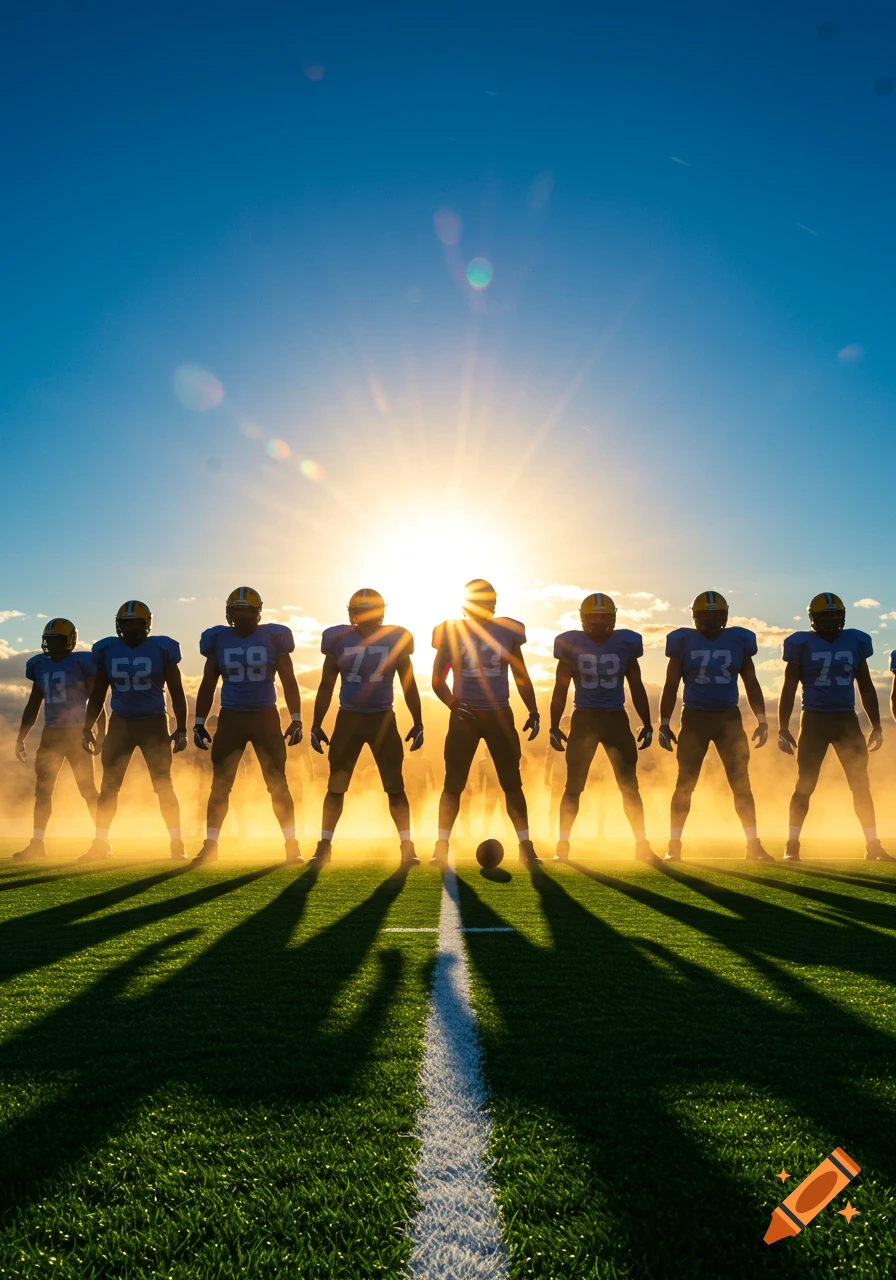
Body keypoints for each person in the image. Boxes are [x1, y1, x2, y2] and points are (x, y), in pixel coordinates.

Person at [309, 588, 424, 867]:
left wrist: (418, 721)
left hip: (381, 718)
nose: (362, 618)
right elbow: (326, 684)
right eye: (358, 612)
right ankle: (324, 845)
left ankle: (407, 846)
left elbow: (409, 683)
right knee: (336, 786)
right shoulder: (339, 639)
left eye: (366, 612)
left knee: (395, 786)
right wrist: (315, 723)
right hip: (350, 717)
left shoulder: (395, 638)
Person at [431, 579, 541, 866]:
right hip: (466, 715)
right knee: (453, 783)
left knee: (511, 782)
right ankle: (441, 845)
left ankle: (525, 845)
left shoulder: (507, 631)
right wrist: (454, 705)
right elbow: (437, 680)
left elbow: (520, 675)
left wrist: (533, 709)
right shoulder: (451, 631)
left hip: (498, 713)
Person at [659, 590, 773, 862]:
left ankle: (752, 845)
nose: (711, 620)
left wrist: (762, 719)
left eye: (716, 614)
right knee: (685, 783)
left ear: (725, 616)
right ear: (696, 616)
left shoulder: (738, 640)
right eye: (707, 614)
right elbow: (671, 684)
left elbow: (751, 682)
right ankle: (674, 845)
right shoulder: (683, 641)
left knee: (741, 784)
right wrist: (664, 722)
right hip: (696, 717)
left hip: (728, 718)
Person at [193, 587, 303, 864]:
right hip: (231, 717)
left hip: (265, 716)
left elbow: (289, 679)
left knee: (277, 783)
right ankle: (211, 844)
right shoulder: (218, 640)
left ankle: (292, 845)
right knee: (221, 785)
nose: (242, 617)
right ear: (229, 614)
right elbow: (208, 682)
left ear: (257, 613)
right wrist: (198, 720)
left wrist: (297, 717)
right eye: (237, 612)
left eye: (247, 612)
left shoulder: (272, 637)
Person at [779, 592, 892, 862]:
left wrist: (876, 725)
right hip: (815, 720)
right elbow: (788, 688)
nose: (831, 622)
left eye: (835, 616)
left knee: (860, 785)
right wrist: (782, 727)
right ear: (814, 619)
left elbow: (865, 685)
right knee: (805, 784)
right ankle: (792, 844)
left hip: (846, 720)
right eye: (825, 617)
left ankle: (872, 845)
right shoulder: (801, 643)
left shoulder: (855, 641)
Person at [549, 593, 657, 861]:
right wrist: (553, 724)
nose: (598, 623)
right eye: (594, 617)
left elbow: (636, 687)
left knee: (629, 785)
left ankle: (641, 844)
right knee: (574, 786)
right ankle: (562, 845)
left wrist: (647, 722)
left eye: (603, 617)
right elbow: (560, 689)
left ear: (613, 618)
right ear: (584, 619)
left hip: (614, 718)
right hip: (586, 718)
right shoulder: (573, 645)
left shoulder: (624, 644)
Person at [81, 600, 187, 861]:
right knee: (109, 787)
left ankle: (177, 843)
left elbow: (176, 691)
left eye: (134, 622)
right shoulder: (108, 649)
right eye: (125, 623)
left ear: (146, 624)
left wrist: (182, 727)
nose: (129, 627)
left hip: (153, 722)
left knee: (163, 785)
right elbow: (97, 694)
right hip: (121, 723)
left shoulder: (162, 649)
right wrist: (86, 727)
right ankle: (100, 842)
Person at [13, 619, 101, 860]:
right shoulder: (40, 665)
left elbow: (96, 701)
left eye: (56, 640)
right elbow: (34, 703)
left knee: (87, 789)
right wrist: (22, 736)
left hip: (76, 732)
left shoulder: (82, 664)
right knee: (43, 790)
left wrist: (98, 730)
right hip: (51, 734)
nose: (51, 644)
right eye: (49, 640)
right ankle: (37, 843)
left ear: (69, 640)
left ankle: (102, 841)